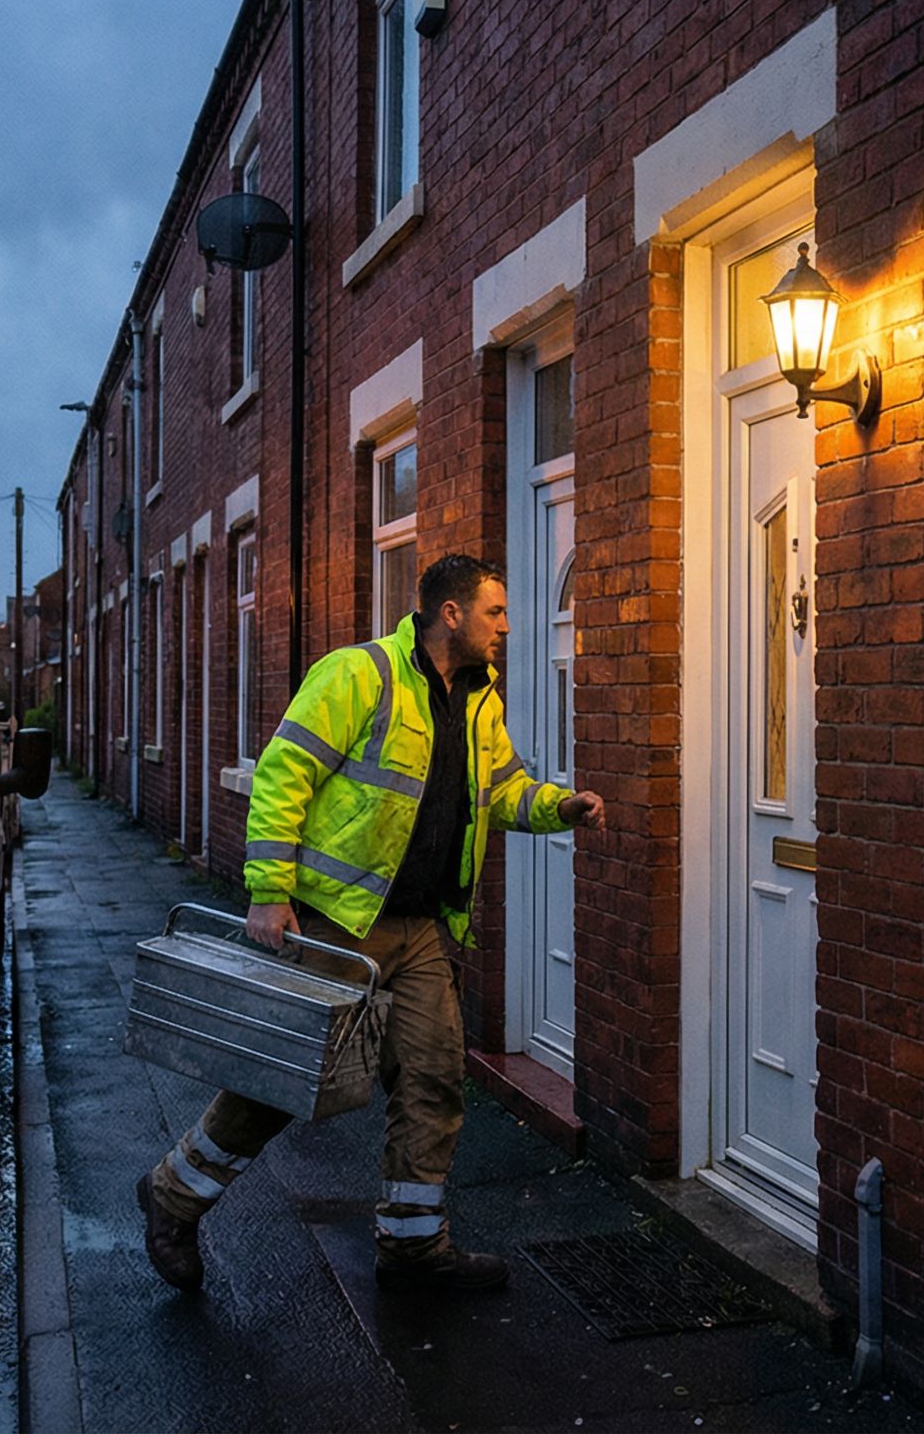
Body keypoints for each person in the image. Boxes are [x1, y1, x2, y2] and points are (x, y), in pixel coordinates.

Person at [138, 553, 606, 1293]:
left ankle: (414, 1247)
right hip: (336, 923)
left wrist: (558, 807)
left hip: (422, 929)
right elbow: (283, 773)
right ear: (450, 613)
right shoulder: (359, 674)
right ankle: (172, 1196)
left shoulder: (482, 700)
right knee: (281, 1081)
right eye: (496, 613)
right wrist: (268, 889)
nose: (507, 628)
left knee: (432, 1078)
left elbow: (503, 788)